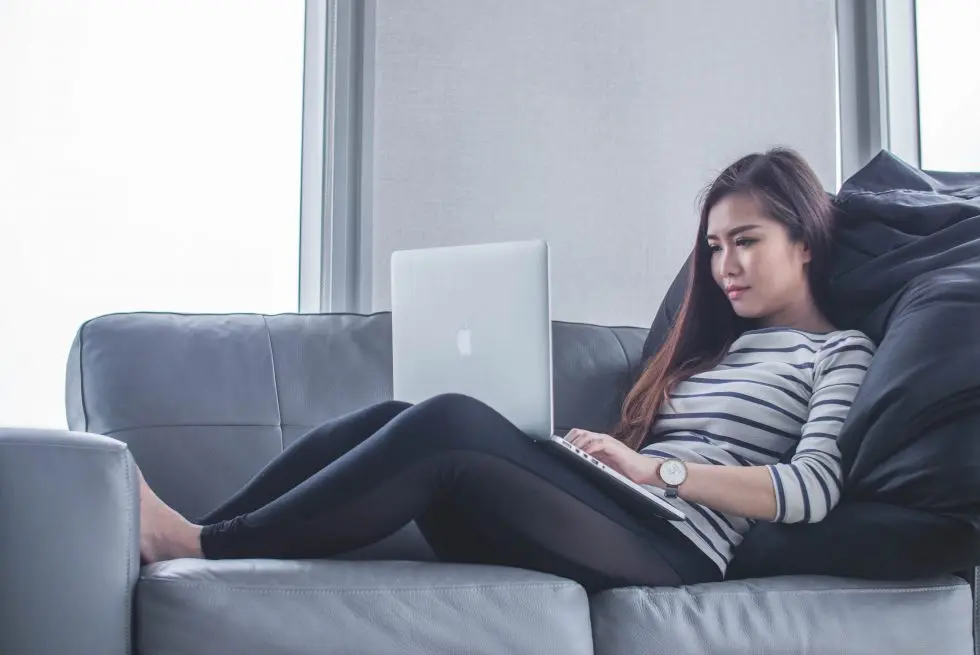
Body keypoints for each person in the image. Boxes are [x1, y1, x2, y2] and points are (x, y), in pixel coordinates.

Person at [138, 147, 876, 592]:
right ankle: (203, 532)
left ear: (805, 241)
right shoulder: (717, 349)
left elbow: (812, 489)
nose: (723, 266)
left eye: (744, 241)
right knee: (401, 416)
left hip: (678, 548)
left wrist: (658, 473)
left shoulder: (839, 352)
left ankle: (199, 545)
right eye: (713, 247)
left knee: (451, 421)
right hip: (617, 513)